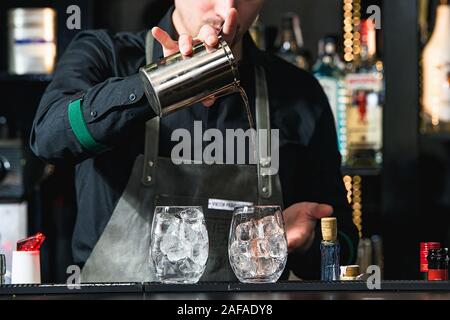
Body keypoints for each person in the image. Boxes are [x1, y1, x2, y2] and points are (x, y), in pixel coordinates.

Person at [30, 0, 358, 282]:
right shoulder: (106, 56)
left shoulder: (298, 94)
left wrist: (308, 241)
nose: (227, 9)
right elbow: (48, 137)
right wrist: (165, 82)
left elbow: (344, 243)